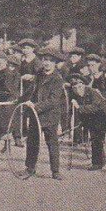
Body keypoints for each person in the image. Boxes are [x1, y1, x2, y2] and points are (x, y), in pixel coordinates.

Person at [21, 47, 65, 181]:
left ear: (55, 63)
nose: (47, 63)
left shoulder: (57, 79)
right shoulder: (39, 75)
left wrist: (37, 106)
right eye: (45, 60)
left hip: (50, 115)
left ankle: (55, 171)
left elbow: (53, 100)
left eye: (50, 61)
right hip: (35, 114)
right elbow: (31, 91)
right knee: (32, 141)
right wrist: (21, 100)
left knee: (52, 143)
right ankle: (30, 168)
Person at [69, 74, 106, 170]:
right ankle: (99, 161)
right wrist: (82, 121)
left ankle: (97, 164)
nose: (78, 90)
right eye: (75, 88)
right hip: (93, 119)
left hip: (104, 118)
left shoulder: (92, 92)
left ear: (84, 85)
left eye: (80, 87)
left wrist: (79, 107)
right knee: (95, 139)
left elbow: (95, 107)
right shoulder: (77, 95)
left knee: (96, 139)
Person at [0, 50, 21, 145]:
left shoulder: (8, 73)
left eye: (0, 63)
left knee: (5, 113)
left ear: (5, 62)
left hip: (9, 97)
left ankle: (12, 135)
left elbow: (8, 91)